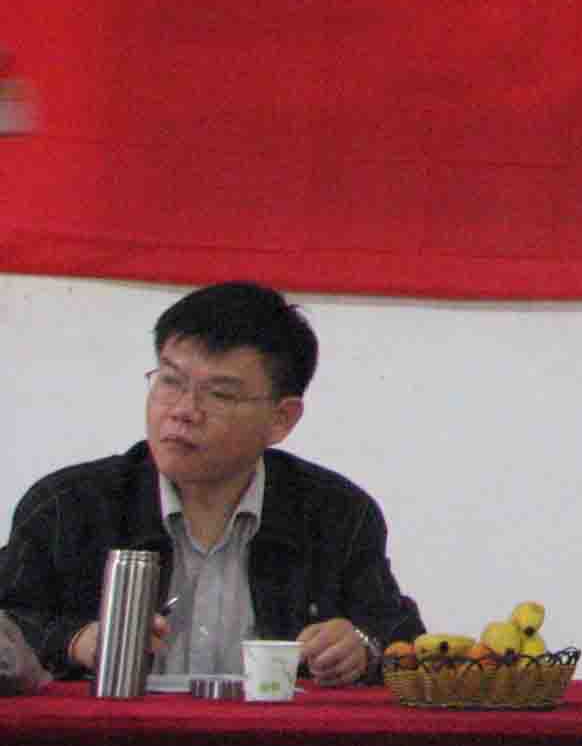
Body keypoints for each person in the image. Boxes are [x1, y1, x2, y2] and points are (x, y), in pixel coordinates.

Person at [0, 281, 425, 684]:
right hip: (103, 736)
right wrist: (74, 641)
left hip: (275, 737)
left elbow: (405, 640)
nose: (183, 410)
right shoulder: (67, 507)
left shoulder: (336, 514)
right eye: (170, 381)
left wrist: (362, 647)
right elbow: (11, 616)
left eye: (219, 394)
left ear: (281, 419)